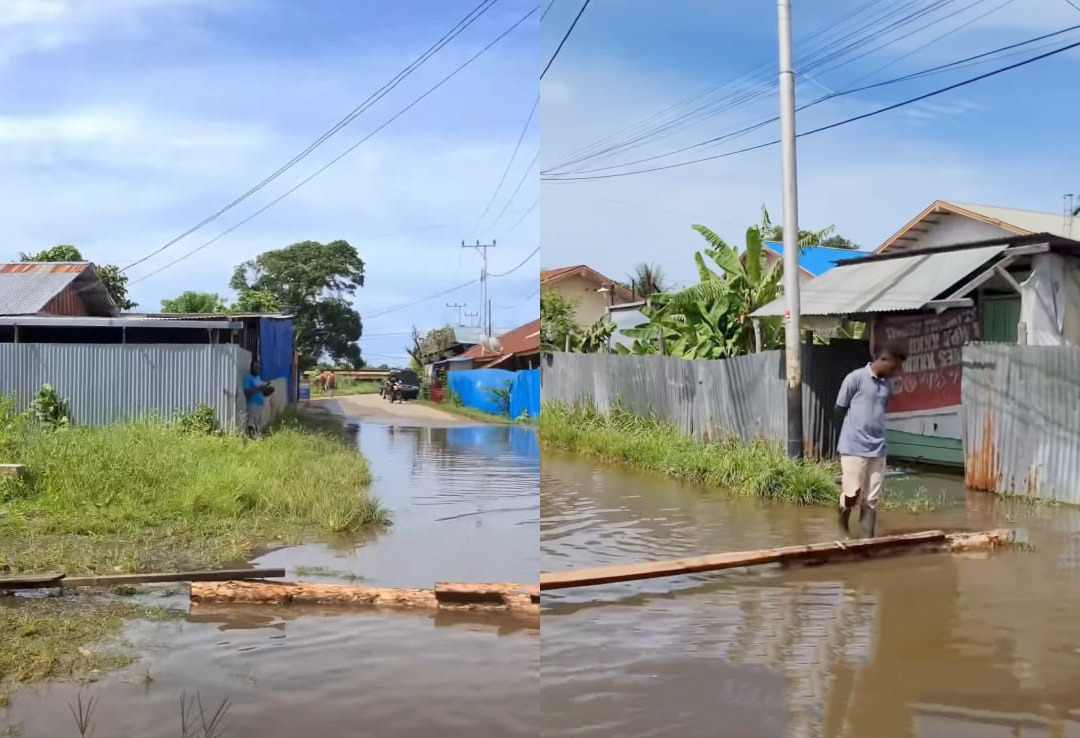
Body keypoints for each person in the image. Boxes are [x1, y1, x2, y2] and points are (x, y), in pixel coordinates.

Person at [834, 342, 907, 538]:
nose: (895, 372)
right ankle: (843, 531)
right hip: (853, 447)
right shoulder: (855, 378)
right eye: (893, 367)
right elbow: (839, 409)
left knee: (871, 500)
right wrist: (841, 441)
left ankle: (867, 542)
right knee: (852, 495)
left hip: (878, 449)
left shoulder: (888, 386)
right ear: (882, 360)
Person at [244, 358, 273, 436]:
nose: (257, 369)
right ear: (252, 368)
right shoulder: (248, 378)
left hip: (260, 404)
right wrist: (258, 388)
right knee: (251, 423)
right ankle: (251, 438)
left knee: (258, 424)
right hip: (252, 404)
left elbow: (262, 393)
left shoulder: (258, 378)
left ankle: (257, 438)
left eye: (259, 367)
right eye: (256, 367)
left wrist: (267, 391)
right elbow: (247, 392)